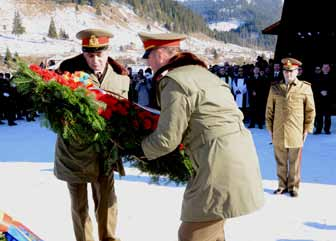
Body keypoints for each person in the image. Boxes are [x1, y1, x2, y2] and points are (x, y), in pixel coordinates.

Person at [138, 32, 264, 241]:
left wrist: (139, 150)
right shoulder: (202, 74)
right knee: (213, 229)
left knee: (192, 235)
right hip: (237, 154)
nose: (148, 63)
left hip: (217, 162)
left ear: (159, 54)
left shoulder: (174, 81)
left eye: (148, 56)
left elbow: (167, 138)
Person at [54, 28, 130, 241]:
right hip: (74, 153)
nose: (95, 60)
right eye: (90, 55)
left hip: (105, 152)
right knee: (80, 208)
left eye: (100, 54)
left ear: (108, 52)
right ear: (83, 53)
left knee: (107, 204)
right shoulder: (66, 75)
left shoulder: (121, 78)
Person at [266, 57, 315, 197]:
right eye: (286, 71)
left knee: (294, 163)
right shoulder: (275, 88)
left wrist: (307, 130)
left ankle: (293, 187)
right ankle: (281, 186)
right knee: (280, 161)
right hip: (278, 131)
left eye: (291, 71)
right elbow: (269, 110)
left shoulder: (305, 88)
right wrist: (269, 128)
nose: (288, 74)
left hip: (296, 131)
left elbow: (310, 111)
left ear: (297, 72)